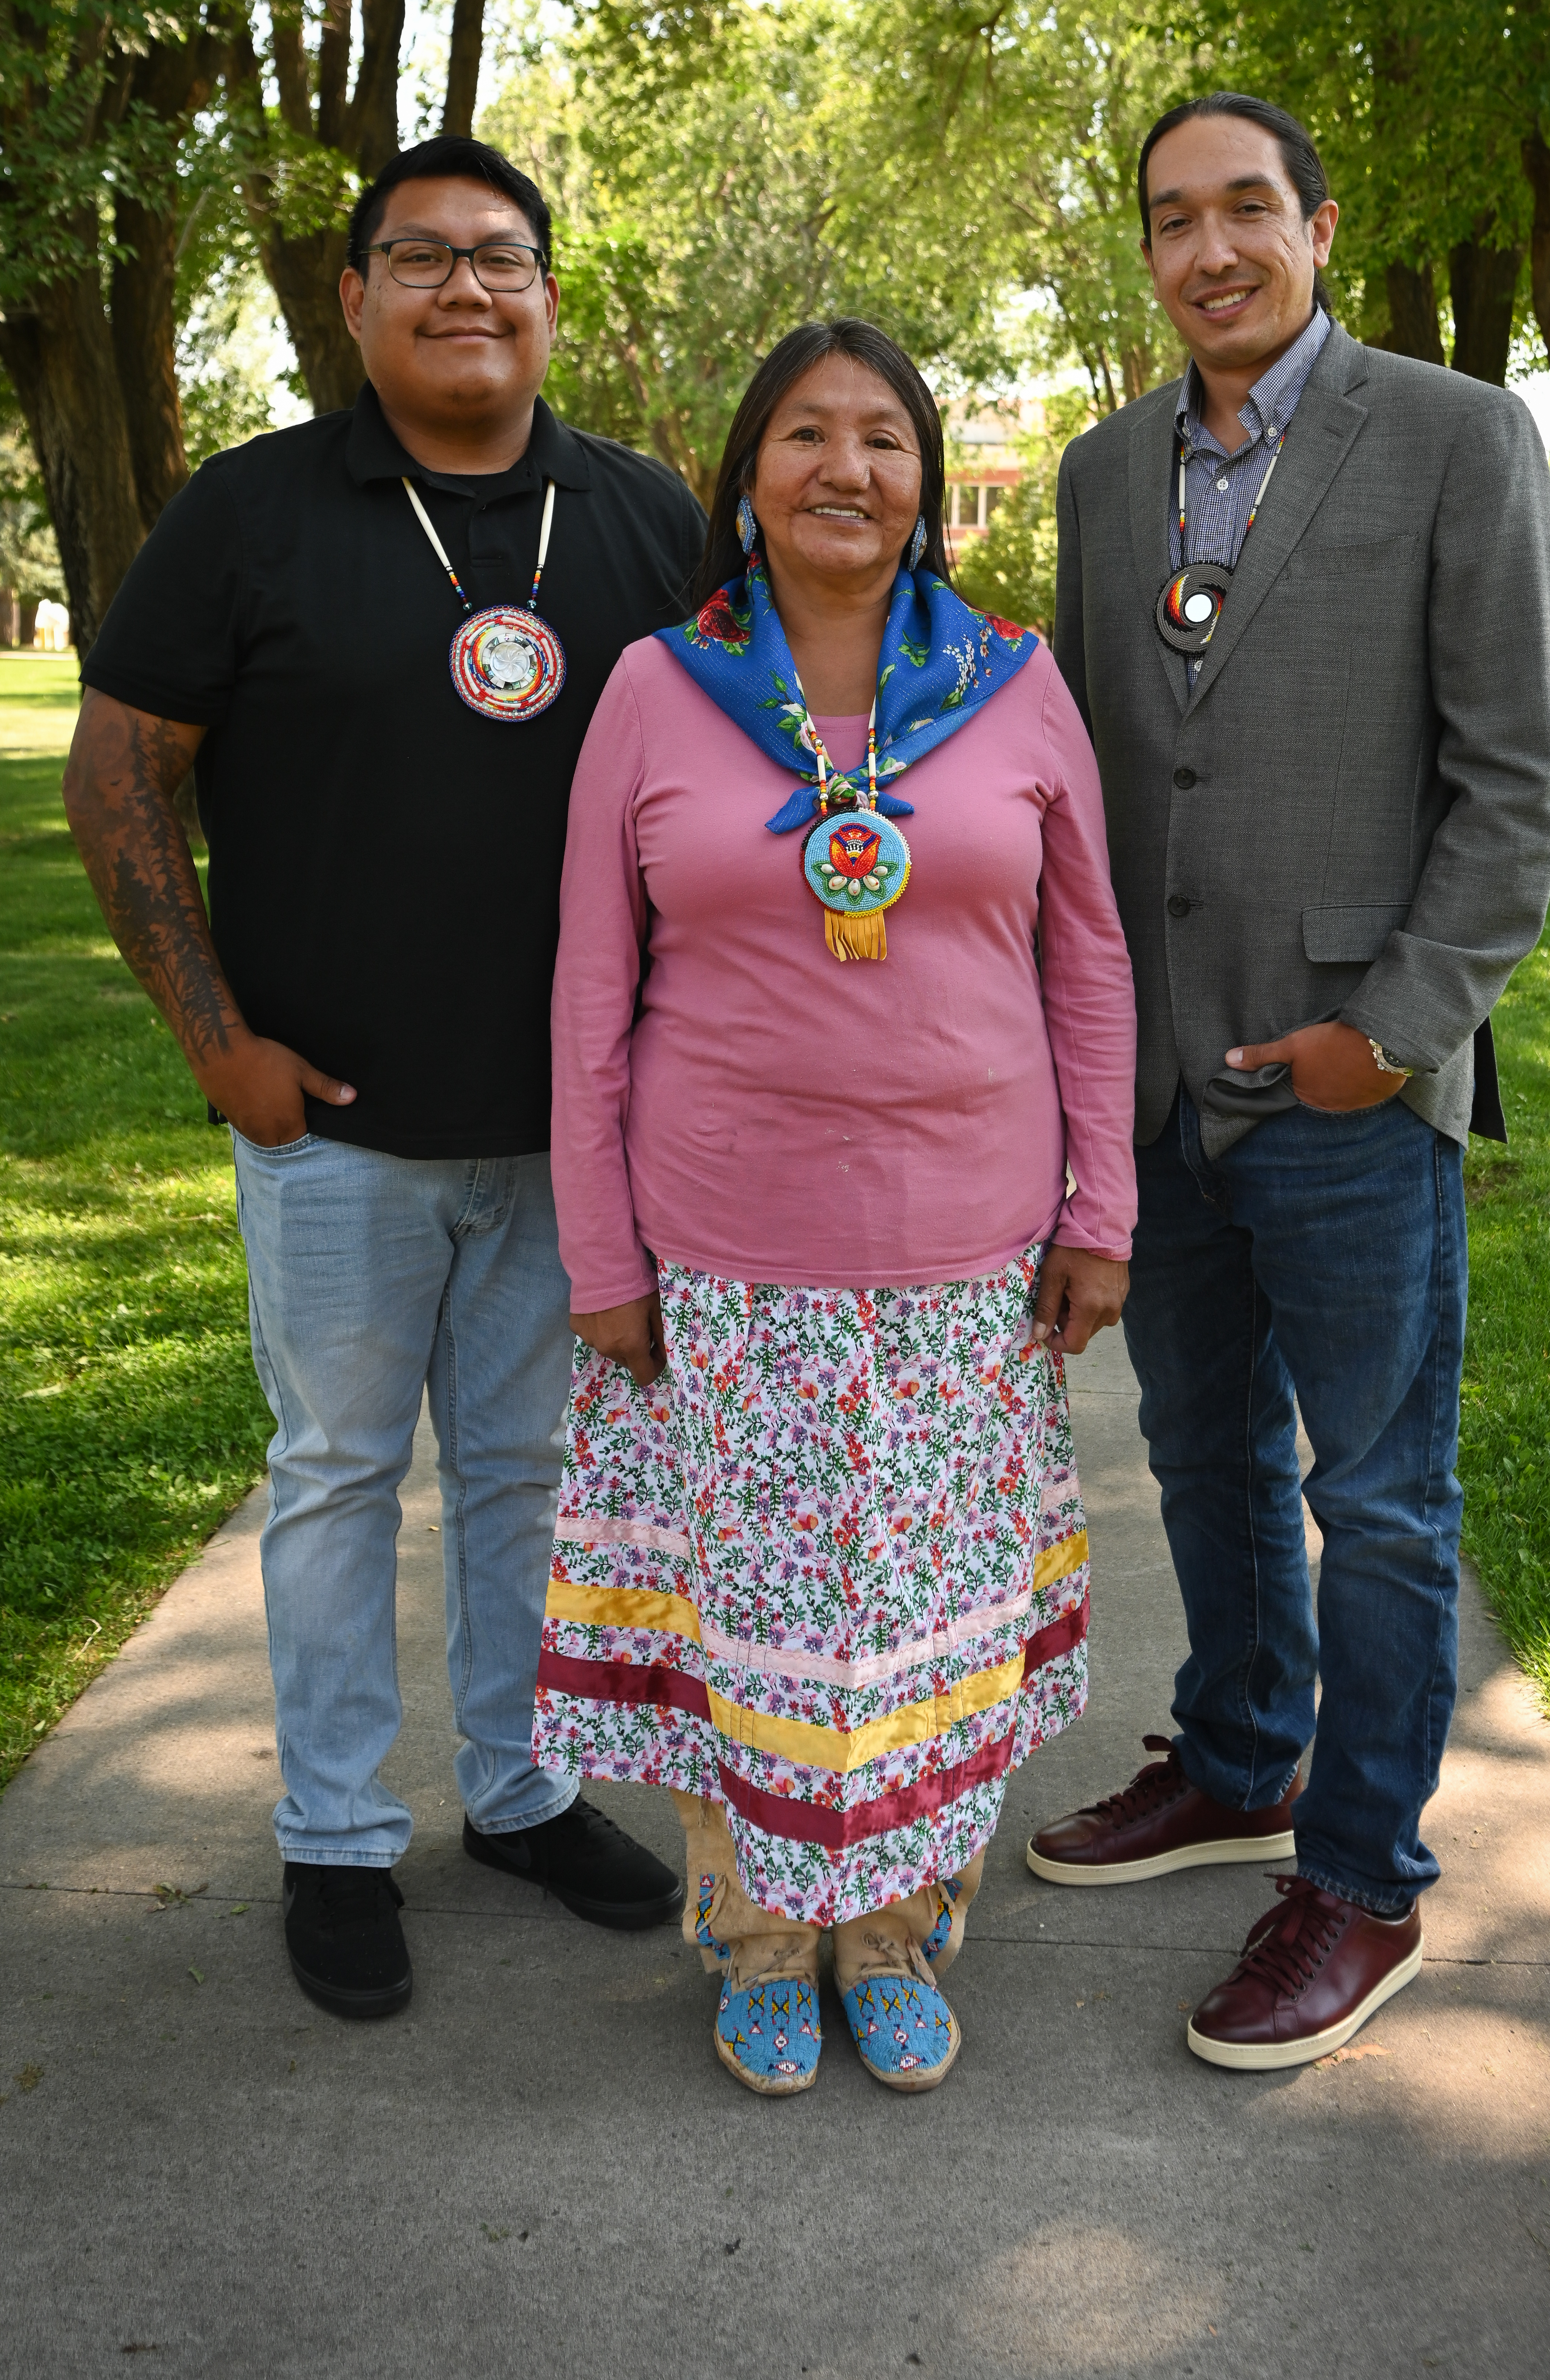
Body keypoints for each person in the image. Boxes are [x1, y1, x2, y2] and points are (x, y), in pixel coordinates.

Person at [62, 133, 697, 2021]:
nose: (464, 289)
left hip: (564, 1133)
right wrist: (218, 1044)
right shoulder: (251, 514)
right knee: (338, 1477)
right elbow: (116, 774)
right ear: (352, 301)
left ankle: (518, 1793)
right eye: (418, 258)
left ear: (550, 293)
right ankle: (336, 1837)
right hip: (330, 1128)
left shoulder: (650, 514)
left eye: (501, 256)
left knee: (524, 1479)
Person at [536, 318, 1138, 2095]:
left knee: (927, 1626)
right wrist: (599, 1249)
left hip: (968, 1259)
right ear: (747, 477)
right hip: (724, 1256)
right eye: (807, 434)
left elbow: (1088, 961)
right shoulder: (658, 686)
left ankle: (892, 1929)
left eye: (884, 440)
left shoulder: (1013, 683)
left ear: (926, 489)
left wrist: (1100, 1202)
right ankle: (756, 1934)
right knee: (760, 1631)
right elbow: (587, 984)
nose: (846, 469)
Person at [1032, 92, 1550, 2069]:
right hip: (1159, 1092)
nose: (1210, 248)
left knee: (1384, 1500)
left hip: (1347, 1084)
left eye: (1245, 206)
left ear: (1318, 225)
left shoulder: (1452, 434)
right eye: (1172, 218)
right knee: (1203, 1450)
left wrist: (1397, 1029)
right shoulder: (1102, 473)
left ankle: (1358, 1877)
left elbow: (1513, 784)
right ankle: (1242, 1752)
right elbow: (1085, 777)